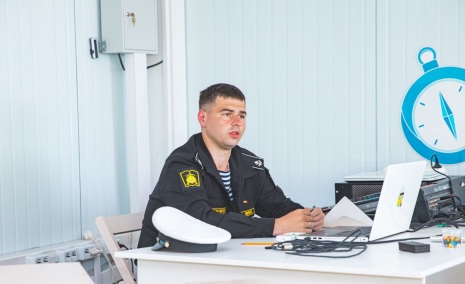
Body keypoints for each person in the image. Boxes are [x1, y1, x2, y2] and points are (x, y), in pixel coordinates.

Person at [138, 83, 325, 248]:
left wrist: (306, 217)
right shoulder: (182, 164)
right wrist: (276, 226)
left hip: (224, 256)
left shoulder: (250, 164)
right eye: (227, 114)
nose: (237, 122)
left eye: (241, 116)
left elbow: (276, 205)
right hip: (166, 262)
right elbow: (201, 221)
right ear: (203, 118)